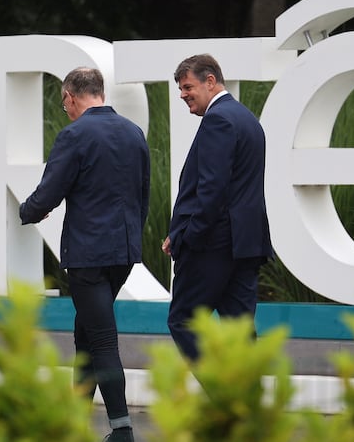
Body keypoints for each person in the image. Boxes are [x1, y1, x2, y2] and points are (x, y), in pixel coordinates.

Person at [19, 67, 149, 442]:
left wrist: (27, 211)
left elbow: (49, 192)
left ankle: (121, 430)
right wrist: (131, 239)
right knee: (87, 336)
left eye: (64, 104)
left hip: (88, 255)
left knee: (103, 340)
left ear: (72, 97)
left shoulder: (73, 135)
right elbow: (144, 193)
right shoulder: (133, 132)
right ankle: (75, 422)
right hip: (123, 252)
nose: (67, 110)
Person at [161, 53, 272, 361]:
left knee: (183, 321)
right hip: (244, 246)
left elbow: (211, 191)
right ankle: (246, 402)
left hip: (213, 246)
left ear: (210, 81)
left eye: (187, 87)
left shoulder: (218, 119)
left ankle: (224, 395)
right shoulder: (246, 117)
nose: (183, 95)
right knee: (239, 331)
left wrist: (186, 237)